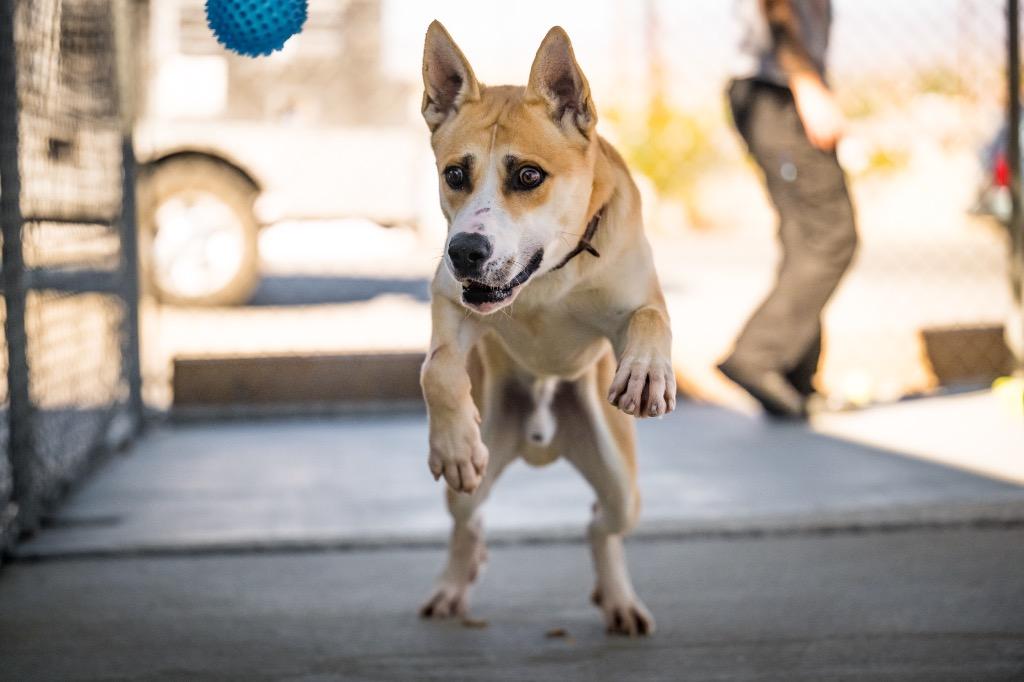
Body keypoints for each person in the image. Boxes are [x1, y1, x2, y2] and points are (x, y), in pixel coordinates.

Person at [718, 0, 858, 418]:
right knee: (832, 235)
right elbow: (775, 7)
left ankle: (795, 379)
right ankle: (758, 356)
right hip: (776, 90)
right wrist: (807, 83)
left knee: (805, 239)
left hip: (775, 88)